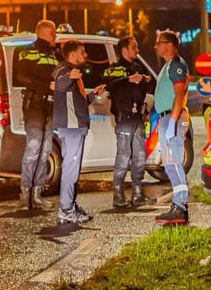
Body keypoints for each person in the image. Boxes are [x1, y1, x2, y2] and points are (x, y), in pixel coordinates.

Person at [52, 39, 106, 225]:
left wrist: (92, 95)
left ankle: (70, 206)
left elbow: (76, 102)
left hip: (74, 126)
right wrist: (70, 77)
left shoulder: (70, 73)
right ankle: (66, 209)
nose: (86, 55)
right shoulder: (65, 71)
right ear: (73, 54)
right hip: (72, 127)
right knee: (70, 169)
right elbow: (59, 85)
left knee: (72, 168)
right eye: (83, 52)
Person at [13, 20, 60, 210]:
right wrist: (46, 87)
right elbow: (22, 77)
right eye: (53, 33)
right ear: (44, 33)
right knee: (33, 148)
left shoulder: (53, 54)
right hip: (34, 104)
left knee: (45, 150)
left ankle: (37, 193)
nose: (55, 36)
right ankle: (25, 194)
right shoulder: (27, 51)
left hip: (50, 106)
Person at [103, 36, 153, 208]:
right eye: (134, 47)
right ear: (124, 49)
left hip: (138, 118)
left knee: (140, 156)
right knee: (124, 155)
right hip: (124, 119)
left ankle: (138, 192)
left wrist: (145, 80)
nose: (137, 51)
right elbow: (110, 84)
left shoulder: (137, 68)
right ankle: (118, 193)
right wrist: (129, 80)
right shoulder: (114, 69)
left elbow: (145, 89)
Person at [152, 31, 191, 226]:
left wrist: (173, 122)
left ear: (170, 45)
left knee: (174, 163)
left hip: (172, 117)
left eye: (159, 43)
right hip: (168, 117)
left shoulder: (176, 65)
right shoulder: (169, 66)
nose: (156, 46)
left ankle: (180, 206)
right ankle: (179, 205)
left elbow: (178, 95)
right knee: (170, 164)